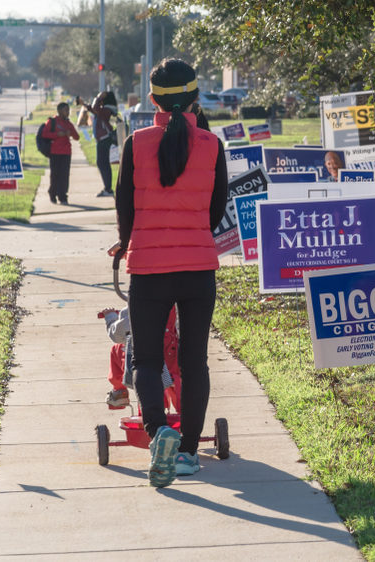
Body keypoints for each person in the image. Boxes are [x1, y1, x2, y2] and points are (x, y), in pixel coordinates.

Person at [114, 58, 228, 487]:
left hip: (149, 268)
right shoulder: (213, 145)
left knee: (146, 357)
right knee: (194, 359)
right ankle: (186, 452)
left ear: (153, 98)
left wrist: (127, 242)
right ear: (196, 96)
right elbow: (216, 213)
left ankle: (158, 430)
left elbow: (126, 209)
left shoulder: (136, 143)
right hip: (199, 268)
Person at [99, 305, 180, 411]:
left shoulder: (136, 306)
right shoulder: (179, 306)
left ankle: (119, 391)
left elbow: (117, 336)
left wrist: (110, 317)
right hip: (174, 364)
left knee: (117, 349)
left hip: (145, 364)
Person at [77, 91, 120, 197]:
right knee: (102, 163)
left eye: (102, 97)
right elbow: (93, 109)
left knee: (103, 163)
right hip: (102, 138)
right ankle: (107, 188)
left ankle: (108, 189)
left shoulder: (107, 109)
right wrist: (83, 104)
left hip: (105, 138)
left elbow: (95, 109)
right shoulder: (104, 109)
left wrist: (98, 97)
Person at [41, 102, 80, 204]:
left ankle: (63, 196)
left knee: (64, 175)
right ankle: (52, 193)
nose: (68, 112)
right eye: (66, 110)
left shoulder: (69, 124)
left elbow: (77, 137)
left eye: (68, 110)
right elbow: (45, 134)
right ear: (59, 111)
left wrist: (70, 133)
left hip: (66, 152)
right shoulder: (52, 122)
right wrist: (57, 134)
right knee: (55, 175)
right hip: (55, 152)